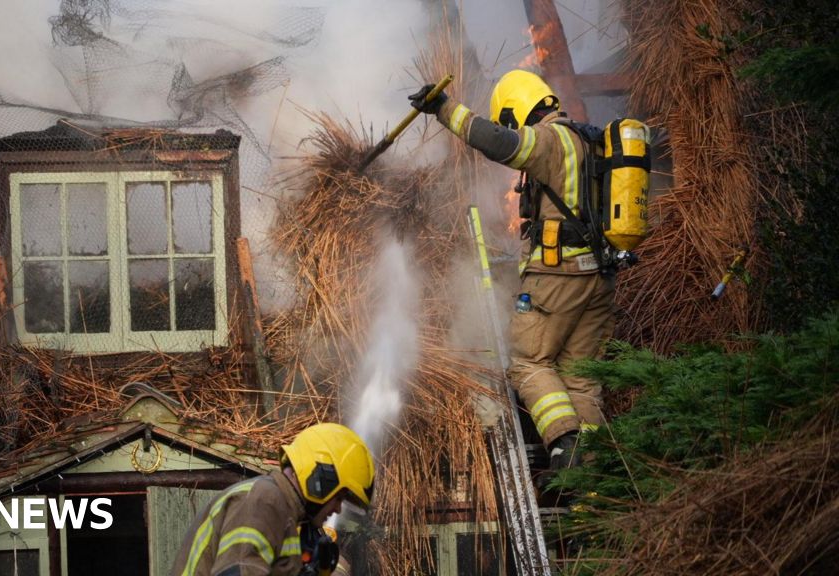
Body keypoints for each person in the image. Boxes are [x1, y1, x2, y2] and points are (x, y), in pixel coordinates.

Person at [409, 70, 616, 471]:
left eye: (510, 121)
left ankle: (566, 449)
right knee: (581, 378)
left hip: (559, 276)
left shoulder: (551, 139)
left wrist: (444, 109)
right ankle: (592, 482)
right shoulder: (591, 140)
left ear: (516, 110)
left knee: (528, 363)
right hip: (600, 277)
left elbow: (499, 143)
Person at [172, 422, 375, 576]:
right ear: (321, 480)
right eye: (339, 498)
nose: (338, 509)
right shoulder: (264, 501)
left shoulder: (289, 519)